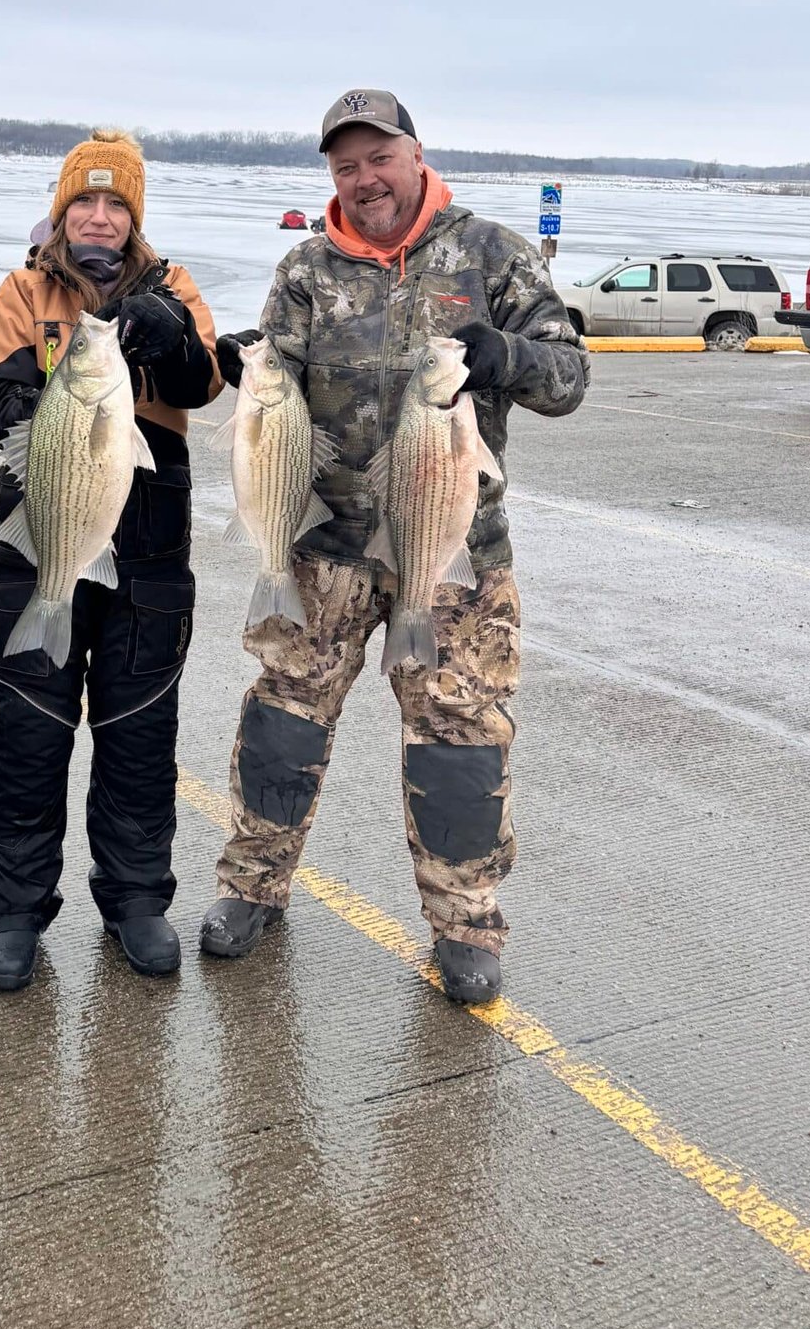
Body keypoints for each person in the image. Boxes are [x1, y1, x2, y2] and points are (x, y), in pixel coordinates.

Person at [202, 89, 587, 1004]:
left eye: (379, 157)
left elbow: (568, 375)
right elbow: (276, 374)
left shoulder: (491, 252)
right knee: (281, 721)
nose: (364, 178)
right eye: (345, 165)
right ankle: (252, 887)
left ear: (416, 155)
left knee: (459, 740)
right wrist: (244, 365)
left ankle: (465, 925)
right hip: (322, 548)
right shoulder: (305, 268)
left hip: (452, 554)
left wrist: (507, 357)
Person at [0, 129, 220, 990]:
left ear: (135, 214)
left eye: (116, 204)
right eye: (85, 201)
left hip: (148, 555)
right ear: (62, 208)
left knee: (139, 735)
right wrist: (57, 386)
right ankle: (12, 909)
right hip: (44, 535)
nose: (100, 217)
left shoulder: (173, 285)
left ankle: (137, 899)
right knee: (29, 738)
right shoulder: (24, 287)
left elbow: (199, 382)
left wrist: (173, 333)